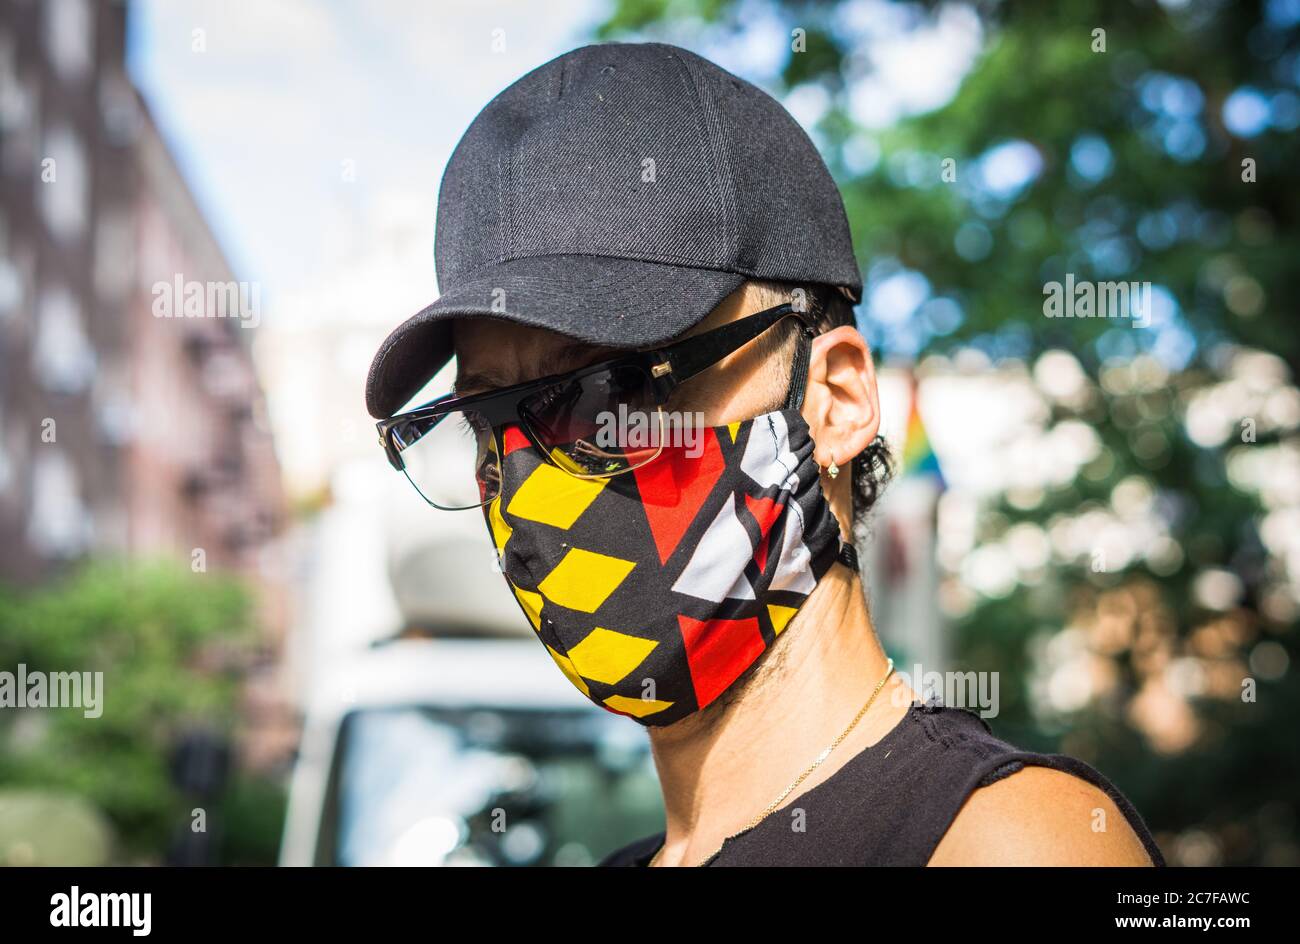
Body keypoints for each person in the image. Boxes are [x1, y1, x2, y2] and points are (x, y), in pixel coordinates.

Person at [365, 41, 1164, 867]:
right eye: (489, 423)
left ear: (836, 401)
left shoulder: (1003, 844)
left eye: (611, 396)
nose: (530, 487)